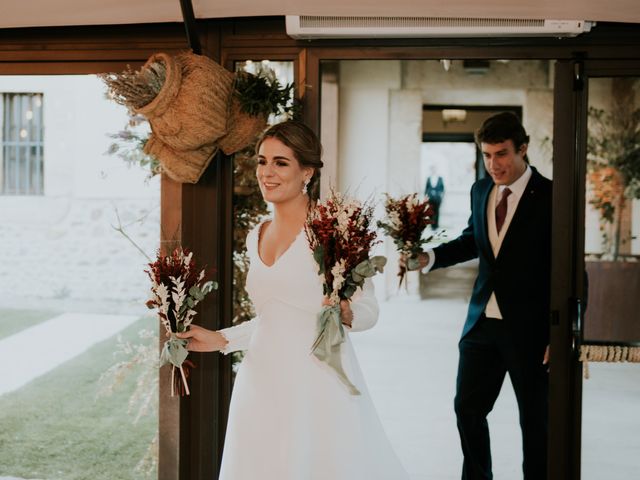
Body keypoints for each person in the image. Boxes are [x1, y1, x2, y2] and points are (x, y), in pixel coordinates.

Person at [178, 120, 409, 480]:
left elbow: (369, 310)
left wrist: (347, 313)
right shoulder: (257, 234)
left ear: (308, 172)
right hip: (261, 382)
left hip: (316, 382)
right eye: (261, 161)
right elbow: (274, 318)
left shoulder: (334, 230)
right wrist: (221, 339)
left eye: (281, 163)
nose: (267, 172)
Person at [404, 112, 551, 480]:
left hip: (531, 330)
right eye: (486, 155)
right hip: (482, 323)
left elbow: (567, 268)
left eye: (501, 154)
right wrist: (430, 258)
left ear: (523, 149)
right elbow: (474, 240)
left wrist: (559, 330)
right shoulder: (480, 190)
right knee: (467, 410)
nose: (493, 164)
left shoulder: (552, 196)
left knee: (534, 422)